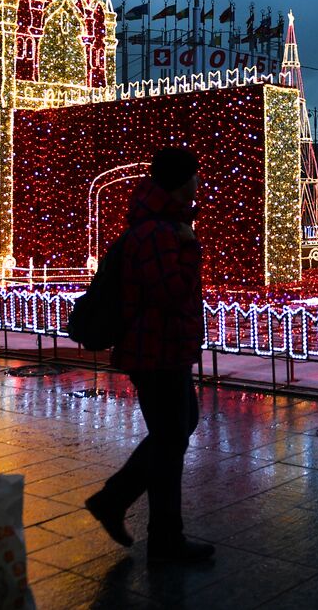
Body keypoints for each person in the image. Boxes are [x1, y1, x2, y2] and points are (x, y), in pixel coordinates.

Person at [85, 147, 214, 565]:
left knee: (177, 430)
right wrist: (191, 249)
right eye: (195, 176)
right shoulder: (159, 232)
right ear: (182, 182)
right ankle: (159, 534)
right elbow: (171, 294)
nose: (199, 183)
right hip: (156, 349)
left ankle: (121, 504)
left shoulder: (160, 224)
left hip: (164, 347)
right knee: (171, 437)